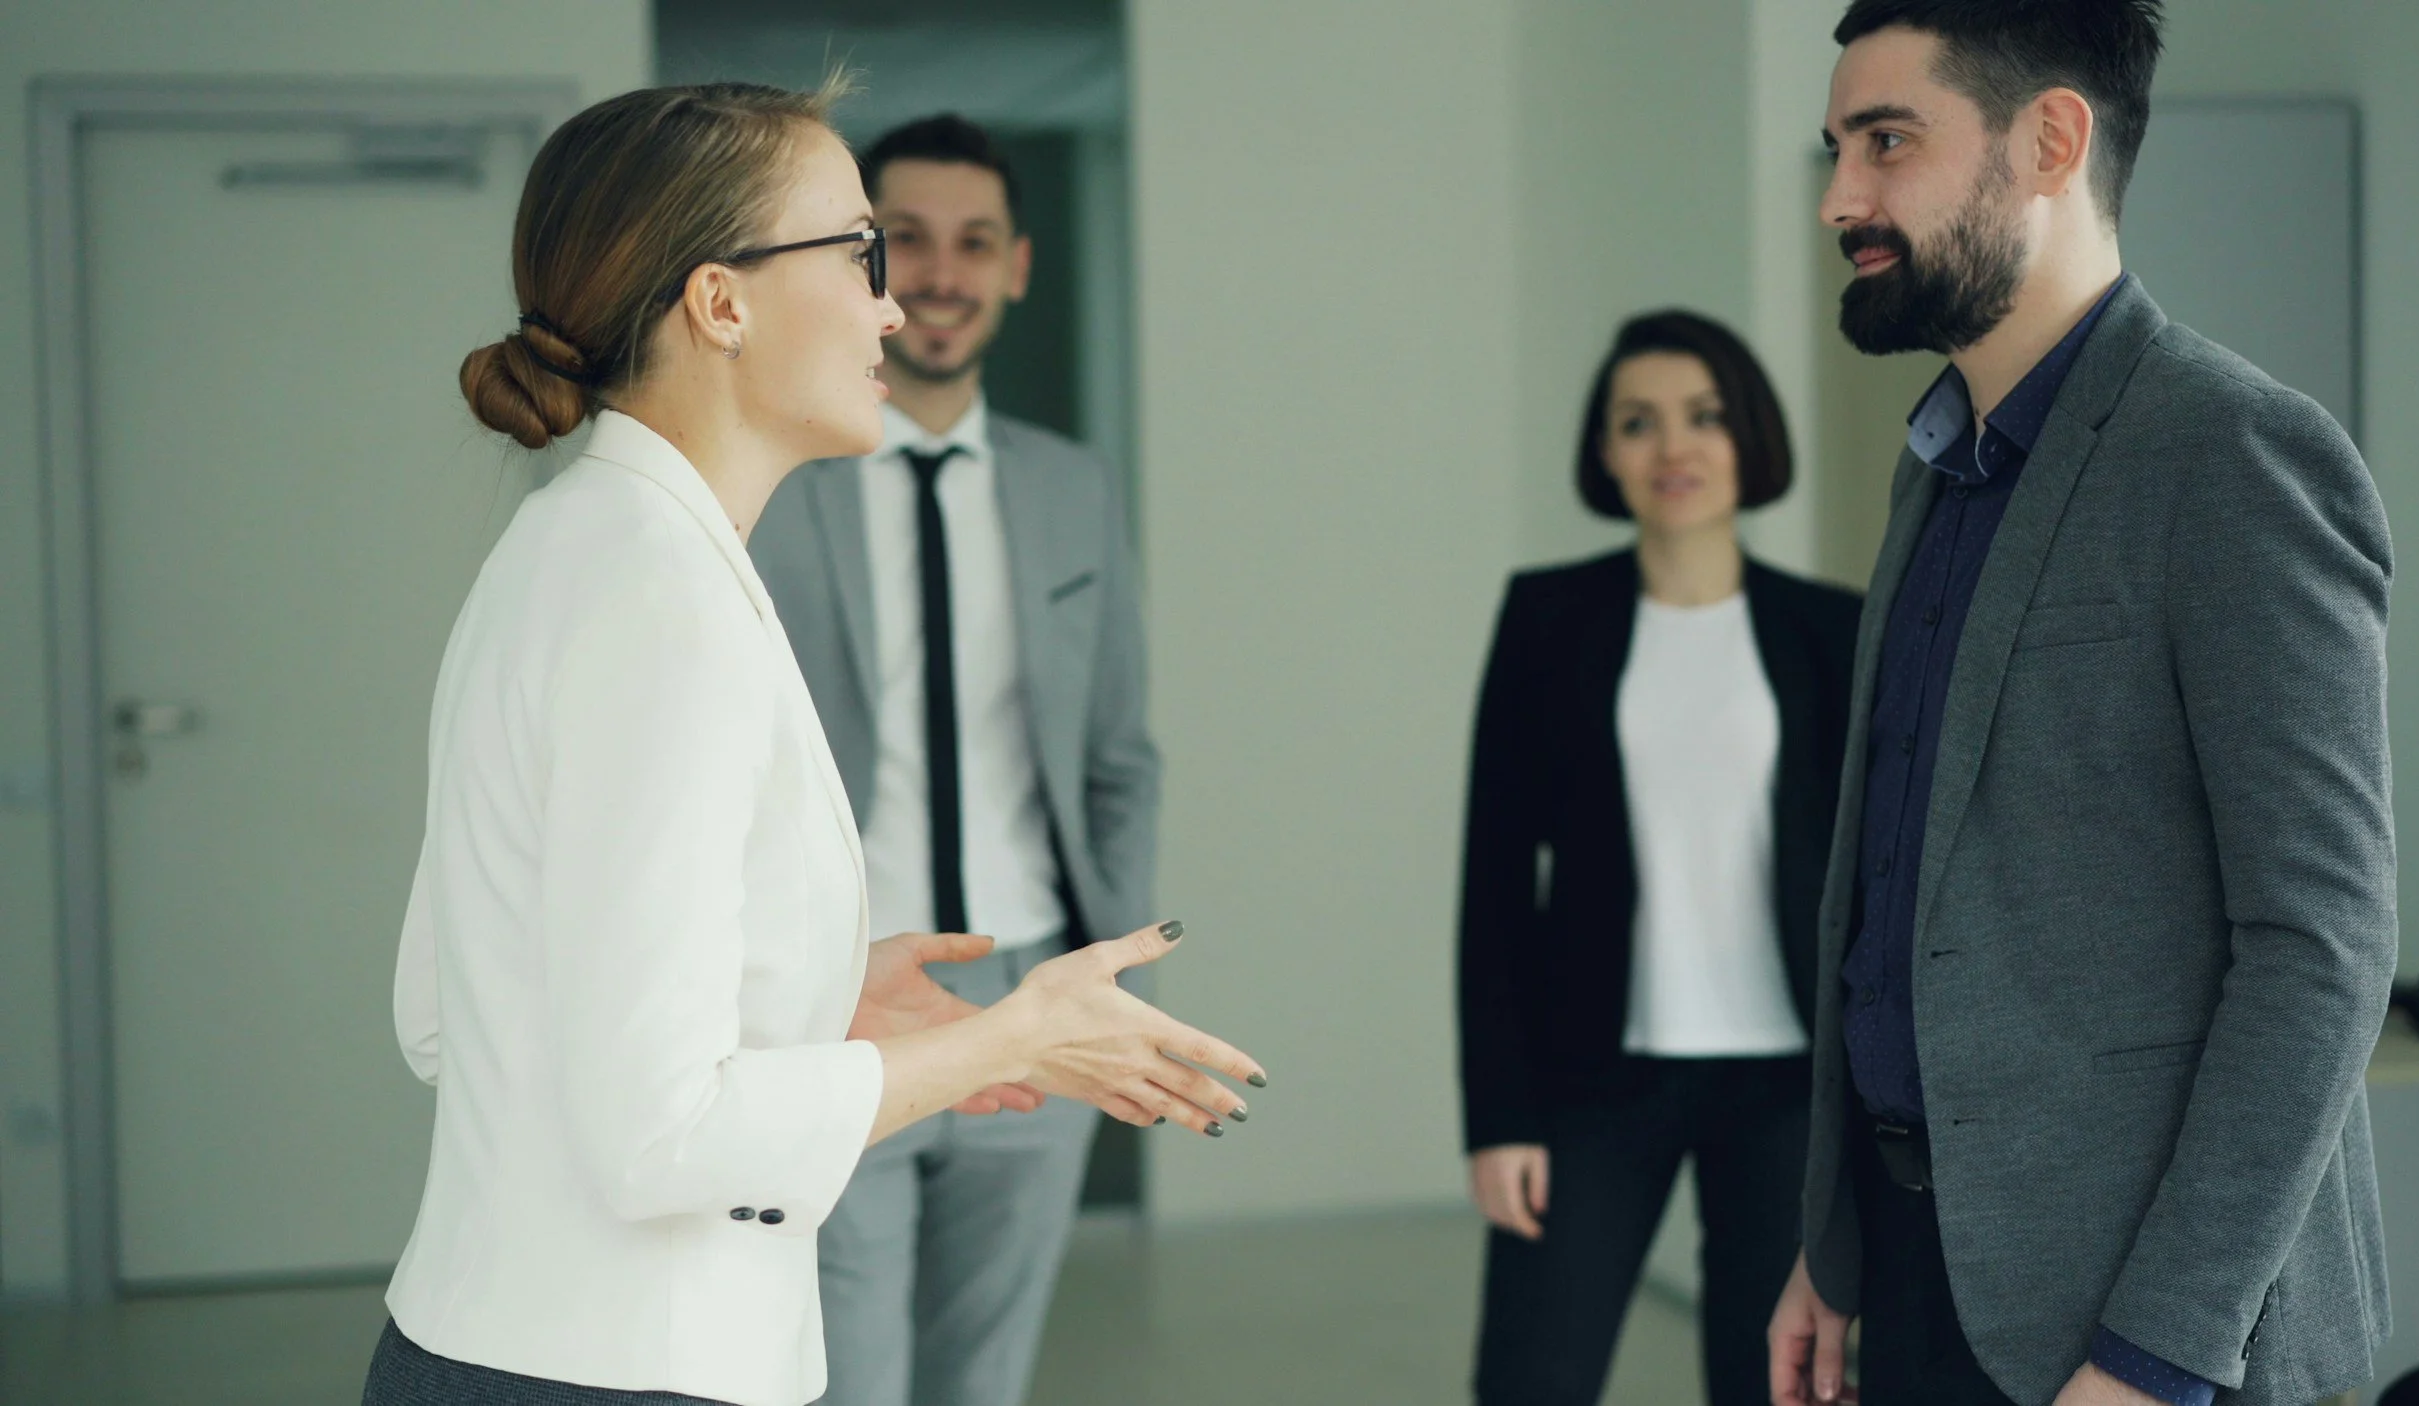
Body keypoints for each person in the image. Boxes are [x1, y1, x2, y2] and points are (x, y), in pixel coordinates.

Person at [367, 80, 1263, 1406]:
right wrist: (1002, 1039)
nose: (895, 302)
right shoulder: (665, 603)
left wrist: (813, 996)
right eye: (860, 251)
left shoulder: (574, 538)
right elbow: (660, 1136)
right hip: (622, 1375)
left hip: (506, 1346)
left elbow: (445, 1011)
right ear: (720, 302)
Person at [1767, 4, 2396, 1405]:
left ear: (2050, 140)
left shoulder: (2234, 454)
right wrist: (1836, 1241)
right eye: (1836, 149)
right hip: (1929, 1267)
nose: (1840, 201)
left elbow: (2321, 948)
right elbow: (1889, 902)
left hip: (2154, 1325)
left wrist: (2156, 1352)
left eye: (1886, 143)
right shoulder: (1934, 465)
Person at [745, 114, 1157, 1406]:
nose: (940, 272)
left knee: (984, 1373)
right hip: (835, 999)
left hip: (1031, 985)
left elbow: (1119, 753)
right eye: (903, 240)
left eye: (973, 242)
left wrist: (1112, 963)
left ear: (1017, 266)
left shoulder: (1069, 485)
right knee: (853, 1370)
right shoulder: (774, 480)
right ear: (860, 265)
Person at [1458, 309, 1862, 1405]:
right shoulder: (1545, 618)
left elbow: (1879, 884)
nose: (1672, 447)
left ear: (1749, 439)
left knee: (1771, 1382)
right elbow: (1493, 884)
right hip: (1592, 1076)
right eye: (1637, 422)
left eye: (1702, 417)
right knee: (1530, 1377)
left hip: (1789, 1082)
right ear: (1603, 453)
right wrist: (1494, 1115)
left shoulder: (1833, 631)